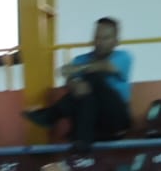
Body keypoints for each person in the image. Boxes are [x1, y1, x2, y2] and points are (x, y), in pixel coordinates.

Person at [26, 16, 133, 148]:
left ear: (116, 41)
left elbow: (104, 66)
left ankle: (52, 115)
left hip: (115, 119)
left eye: (105, 38)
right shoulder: (81, 59)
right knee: (86, 94)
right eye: (97, 37)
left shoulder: (124, 56)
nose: (100, 42)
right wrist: (75, 85)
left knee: (94, 78)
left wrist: (80, 70)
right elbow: (67, 76)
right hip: (91, 121)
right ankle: (82, 142)